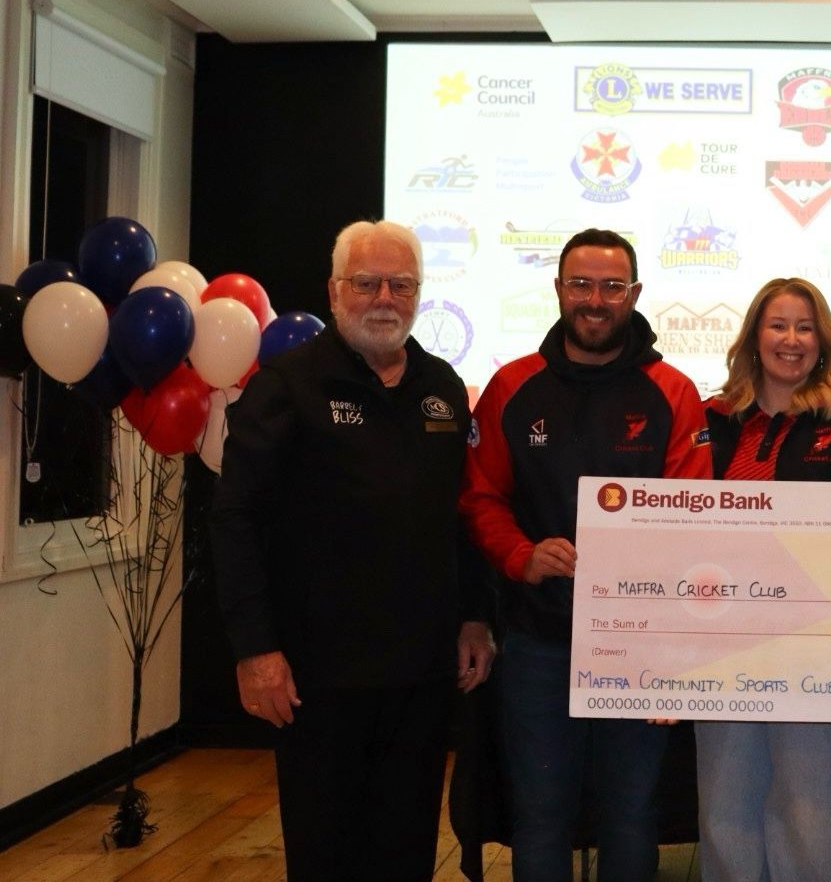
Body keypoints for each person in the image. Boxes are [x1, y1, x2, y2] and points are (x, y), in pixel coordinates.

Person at [211, 219, 495, 881]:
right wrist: (255, 651)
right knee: (326, 852)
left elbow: (464, 514)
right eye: (367, 283)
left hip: (422, 676)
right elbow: (235, 521)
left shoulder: (442, 388)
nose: (384, 298)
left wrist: (476, 614)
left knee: (406, 852)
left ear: (420, 293)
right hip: (317, 679)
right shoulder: (287, 387)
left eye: (401, 284)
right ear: (336, 292)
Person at [460, 228, 708, 882]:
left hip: (640, 645)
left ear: (634, 294)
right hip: (539, 641)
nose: (595, 300)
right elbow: (481, 497)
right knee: (541, 816)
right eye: (581, 284)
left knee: (631, 815)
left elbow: (696, 513)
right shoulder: (512, 387)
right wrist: (521, 555)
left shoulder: (673, 392)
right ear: (559, 290)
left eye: (611, 286)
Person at [696, 277, 831, 882]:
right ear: (754, 336)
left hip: (819, 651)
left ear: (823, 340)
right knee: (726, 815)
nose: (792, 339)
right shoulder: (711, 421)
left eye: (805, 327)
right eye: (778, 325)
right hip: (722, 649)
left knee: (813, 818)